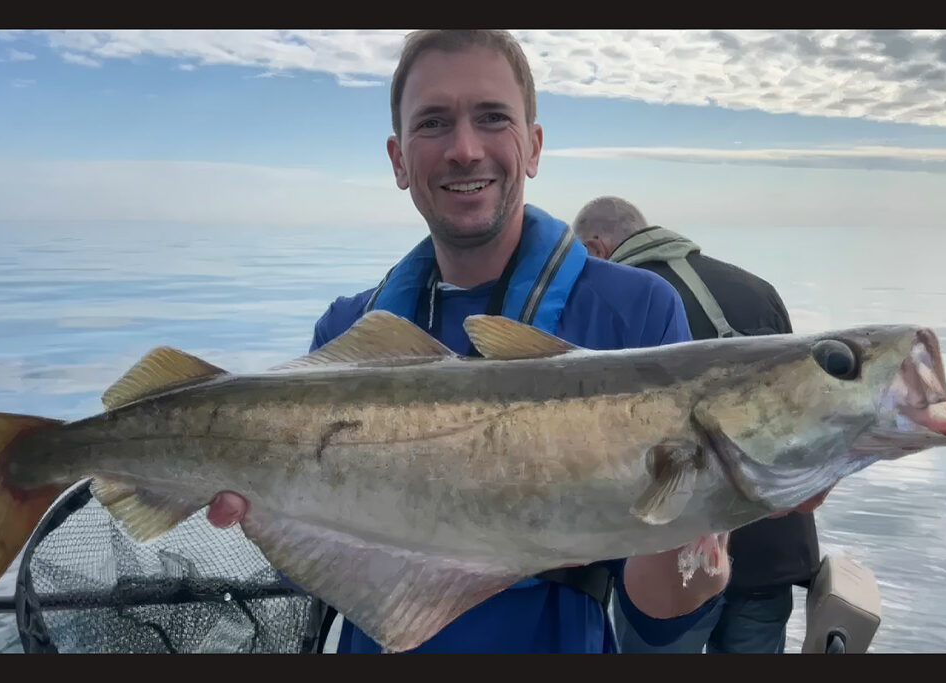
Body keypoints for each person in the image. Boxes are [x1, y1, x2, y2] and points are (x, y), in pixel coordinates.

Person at [207, 29, 731, 653]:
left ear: (533, 146)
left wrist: (702, 533)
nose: (464, 149)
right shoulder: (347, 328)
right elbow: (322, 567)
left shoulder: (634, 311)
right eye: (433, 123)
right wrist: (266, 514)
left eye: (492, 118)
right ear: (399, 159)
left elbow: (654, 610)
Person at [571, 195, 825, 654]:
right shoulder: (757, 289)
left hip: (675, 559)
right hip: (773, 554)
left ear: (594, 249)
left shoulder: (617, 304)